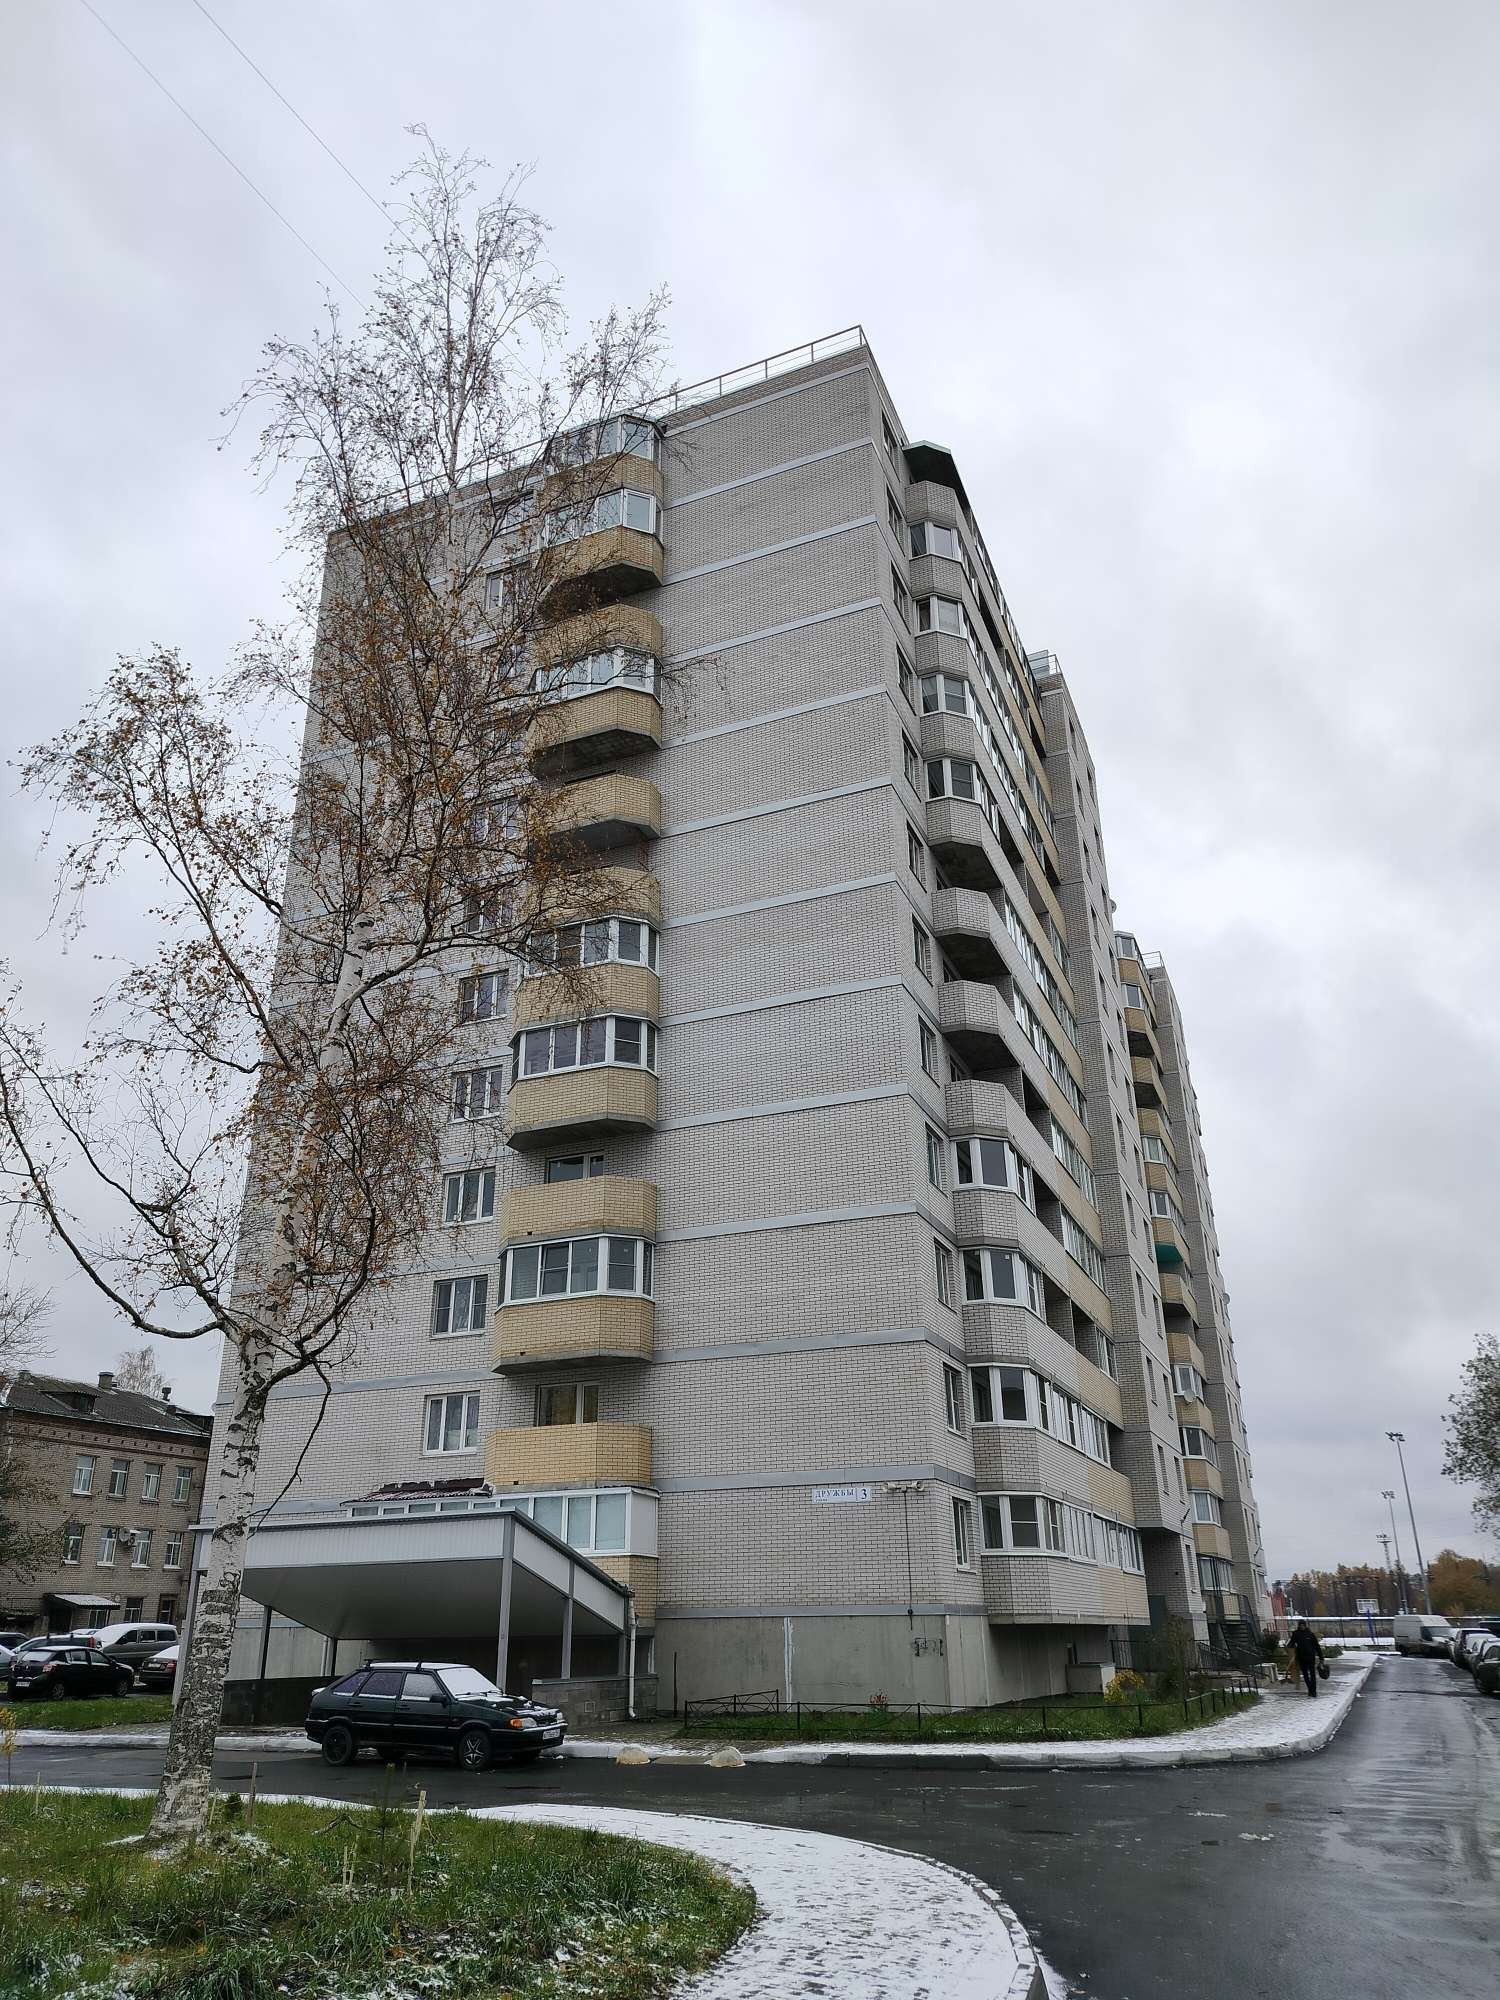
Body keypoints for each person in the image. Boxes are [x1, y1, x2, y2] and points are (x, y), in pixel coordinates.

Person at [1286, 1620, 1324, 1696]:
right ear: (1299, 1625)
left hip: (1310, 1657)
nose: (1302, 1626)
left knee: (1312, 1674)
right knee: (1305, 1674)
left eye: (1303, 1625)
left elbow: (1316, 1646)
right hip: (1301, 1657)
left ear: (1305, 1625)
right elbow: (1291, 1643)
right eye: (1300, 1625)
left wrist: (1321, 1657)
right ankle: (1310, 1689)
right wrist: (1291, 1647)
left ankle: (1314, 1691)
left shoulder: (1310, 1634)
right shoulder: (1296, 1634)